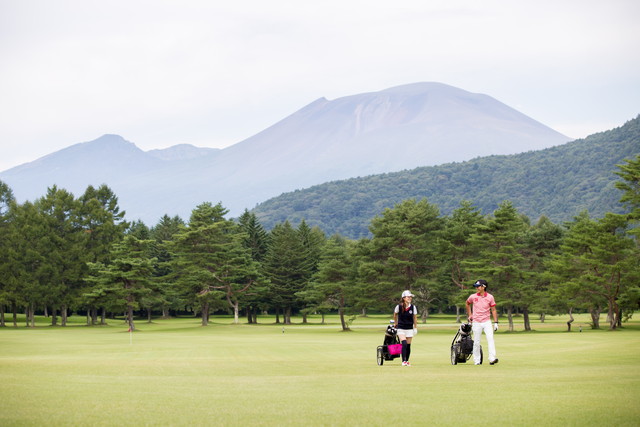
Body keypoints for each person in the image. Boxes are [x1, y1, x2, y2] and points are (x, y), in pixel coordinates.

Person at [465, 279, 499, 365]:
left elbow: (493, 310)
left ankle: (492, 358)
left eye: (478, 286)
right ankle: (477, 360)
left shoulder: (490, 297)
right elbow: (467, 303)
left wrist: (496, 322)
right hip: (476, 321)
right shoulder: (473, 296)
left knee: (490, 339)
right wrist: (470, 314)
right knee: (476, 341)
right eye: (476, 286)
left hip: (487, 321)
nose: (477, 288)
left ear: (484, 287)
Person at [393, 290, 418, 366]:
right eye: (408, 297)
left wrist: (415, 327)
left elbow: (415, 318)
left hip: (409, 328)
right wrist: (395, 323)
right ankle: (403, 361)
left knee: (408, 345)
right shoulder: (399, 306)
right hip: (401, 328)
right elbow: (395, 315)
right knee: (404, 343)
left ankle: (407, 360)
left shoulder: (413, 307)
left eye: (410, 297)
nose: (410, 298)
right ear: (403, 298)